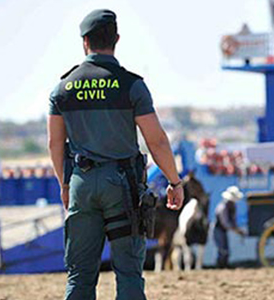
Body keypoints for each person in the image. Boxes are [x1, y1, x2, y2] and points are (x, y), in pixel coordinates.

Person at [47, 9, 184, 300]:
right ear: (117, 39)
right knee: (129, 274)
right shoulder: (131, 85)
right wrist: (175, 181)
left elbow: (54, 143)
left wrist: (65, 184)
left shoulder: (62, 88)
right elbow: (156, 141)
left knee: (80, 276)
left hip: (82, 184)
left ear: (85, 42)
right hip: (123, 187)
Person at [213, 186, 245, 268]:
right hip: (218, 229)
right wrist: (237, 230)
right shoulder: (223, 208)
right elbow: (225, 223)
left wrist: (236, 229)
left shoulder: (232, 206)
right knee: (222, 249)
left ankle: (224, 264)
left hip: (222, 229)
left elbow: (233, 220)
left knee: (225, 248)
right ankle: (221, 265)